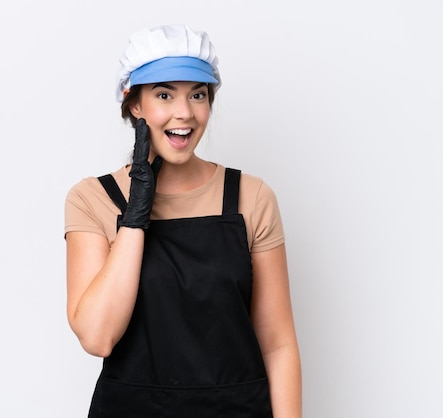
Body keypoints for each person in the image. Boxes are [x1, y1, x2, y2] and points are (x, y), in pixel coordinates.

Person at [64, 24, 301, 417]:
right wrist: (138, 209)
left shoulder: (251, 197)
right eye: (163, 94)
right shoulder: (93, 199)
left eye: (198, 94)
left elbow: (278, 344)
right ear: (135, 104)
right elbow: (97, 337)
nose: (185, 113)